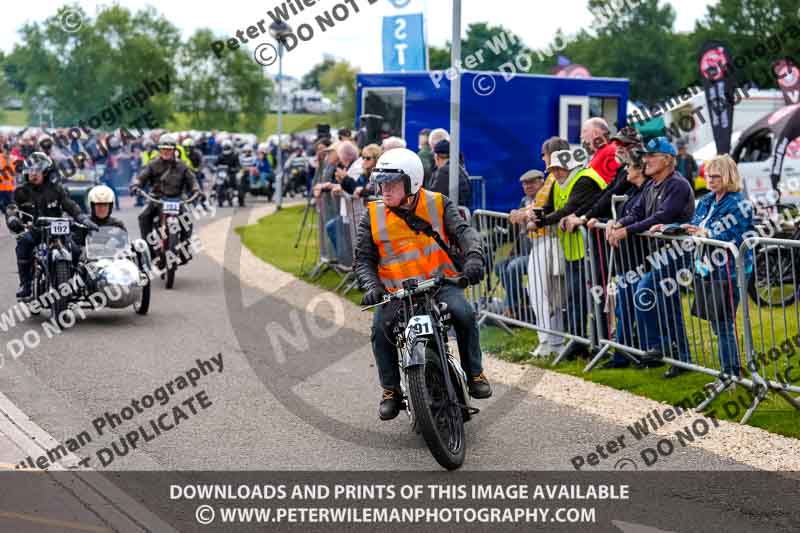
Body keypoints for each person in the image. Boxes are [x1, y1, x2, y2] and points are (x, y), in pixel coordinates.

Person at [354, 148, 491, 420]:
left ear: (412, 182)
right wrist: (372, 286)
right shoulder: (371, 214)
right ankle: (391, 390)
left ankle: (475, 373)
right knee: (380, 330)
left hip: (440, 284)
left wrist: (474, 256)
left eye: (391, 184)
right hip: (396, 292)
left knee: (464, 313)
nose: (384, 190)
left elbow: (465, 232)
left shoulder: (438, 203)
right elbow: (362, 259)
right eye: (381, 183)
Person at [654, 155, 753, 387]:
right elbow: (697, 224)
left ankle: (730, 375)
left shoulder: (739, 203)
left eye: (715, 176)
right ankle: (729, 373)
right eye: (708, 175)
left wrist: (705, 234)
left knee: (723, 324)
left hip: (728, 270)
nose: (710, 179)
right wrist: (673, 227)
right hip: (707, 269)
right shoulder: (708, 200)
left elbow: (735, 236)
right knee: (718, 325)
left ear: (728, 176)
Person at [607, 136, 695, 378]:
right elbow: (636, 213)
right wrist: (617, 223)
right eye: (645, 156)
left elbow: (662, 216)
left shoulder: (677, 185)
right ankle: (682, 359)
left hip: (676, 256)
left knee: (643, 292)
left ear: (667, 160)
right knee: (670, 308)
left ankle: (659, 345)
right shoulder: (651, 185)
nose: (645, 160)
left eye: (651, 156)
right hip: (657, 256)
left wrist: (626, 231)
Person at [529, 148, 606, 359]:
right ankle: (578, 341)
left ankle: (595, 345)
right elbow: (551, 206)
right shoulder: (559, 183)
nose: (555, 173)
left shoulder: (584, 180)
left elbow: (570, 208)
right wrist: (538, 215)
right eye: (553, 170)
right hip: (573, 249)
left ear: (569, 166)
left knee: (592, 298)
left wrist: (542, 222)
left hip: (592, 248)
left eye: (558, 169)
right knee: (575, 298)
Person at [5, 153, 98, 299]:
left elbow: (71, 206)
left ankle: (73, 281)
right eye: (31, 171)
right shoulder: (20, 192)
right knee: (23, 242)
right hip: (35, 230)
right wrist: (12, 219)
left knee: (75, 250)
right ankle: (26, 284)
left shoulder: (57, 189)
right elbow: (12, 208)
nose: (33, 174)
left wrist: (83, 219)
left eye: (37, 171)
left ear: (46, 172)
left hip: (58, 231)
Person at [591, 153, 651, 369]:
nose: (625, 171)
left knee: (640, 307)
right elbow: (629, 215)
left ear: (639, 169)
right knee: (622, 309)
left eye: (629, 167)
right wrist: (610, 222)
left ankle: (644, 355)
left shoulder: (647, 191)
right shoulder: (634, 191)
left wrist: (619, 225)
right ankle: (622, 355)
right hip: (626, 261)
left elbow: (640, 218)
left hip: (641, 259)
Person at [525, 137, 570, 357]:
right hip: (546, 240)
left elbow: (542, 210)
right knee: (547, 293)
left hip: (549, 240)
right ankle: (552, 340)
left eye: (544, 155)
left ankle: (549, 340)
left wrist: (527, 216)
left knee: (543, 292)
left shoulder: (554, 179)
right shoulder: (553, 179)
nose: (542, 159)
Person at [130, 134, 199, 263]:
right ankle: (149, 250)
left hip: (177, 199)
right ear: (159, 150)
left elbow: (192, 180)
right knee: (143, 217)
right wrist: (136, 184)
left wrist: (196, 189)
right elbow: (142, 176)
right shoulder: (152, 164)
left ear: (174, 151)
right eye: (163, 149)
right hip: (157, 199)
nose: (166, 152)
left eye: (169, 149)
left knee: (187, 219)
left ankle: (185, 248)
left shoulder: (182, 166)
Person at [496, 169, 544, 322]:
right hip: (525, 251)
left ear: (541, 182)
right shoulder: (524, 201)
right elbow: (514, 232)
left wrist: (522, 214)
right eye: (525, 184)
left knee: (514, 267)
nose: (528, 186)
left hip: (540, 251)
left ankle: (511, 307)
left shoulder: (544, 199)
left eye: (532, 182)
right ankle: (524, 299)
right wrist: (513, 219)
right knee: (500, 266)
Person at [429, 140, 471, 207]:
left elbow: (435, 197)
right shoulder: (460, 169)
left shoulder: (445, 171)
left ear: (437, 157)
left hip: (450, 214)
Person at [581, 118, 619, 185]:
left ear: (595, 133)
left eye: (585, 131)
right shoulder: (602, 151)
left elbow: (610, 184)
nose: (581, 136)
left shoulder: (610, 151)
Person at [0, 144, 16, 213]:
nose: (8, 154)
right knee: (3, 208)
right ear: (3, 150)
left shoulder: (12, 159)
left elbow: (13, 174)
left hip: (9, 189)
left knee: (10, 210)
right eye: (7, 152)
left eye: (9, 152)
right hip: (1, 188)